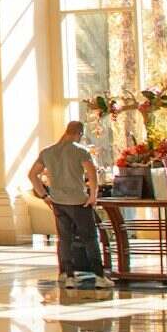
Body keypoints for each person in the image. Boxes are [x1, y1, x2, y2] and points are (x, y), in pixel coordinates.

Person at [31, 120, 110, 289]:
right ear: (79, 134)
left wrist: (44, 195)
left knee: (64, 239)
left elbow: (32, 175)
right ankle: (99, 276)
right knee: (90, 238)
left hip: (58, 201)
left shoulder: (48, 152)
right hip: (78, 201)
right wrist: (93, 195)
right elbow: (91, 173)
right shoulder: (81, 152)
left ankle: (68, 275)